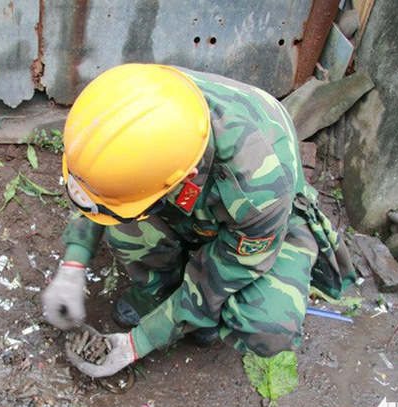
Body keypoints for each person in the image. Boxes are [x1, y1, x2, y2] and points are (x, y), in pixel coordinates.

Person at [41, 63, 356, 378]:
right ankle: (159, 292)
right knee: (128, 231)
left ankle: (203, 318)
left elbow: (220, 276)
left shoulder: (261, 191)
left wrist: (138, 343)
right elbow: (101, 186)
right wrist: (73, 264)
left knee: (267, 325)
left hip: (261, 222)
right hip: (192, 191)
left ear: (185, 179)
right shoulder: (132, 100)